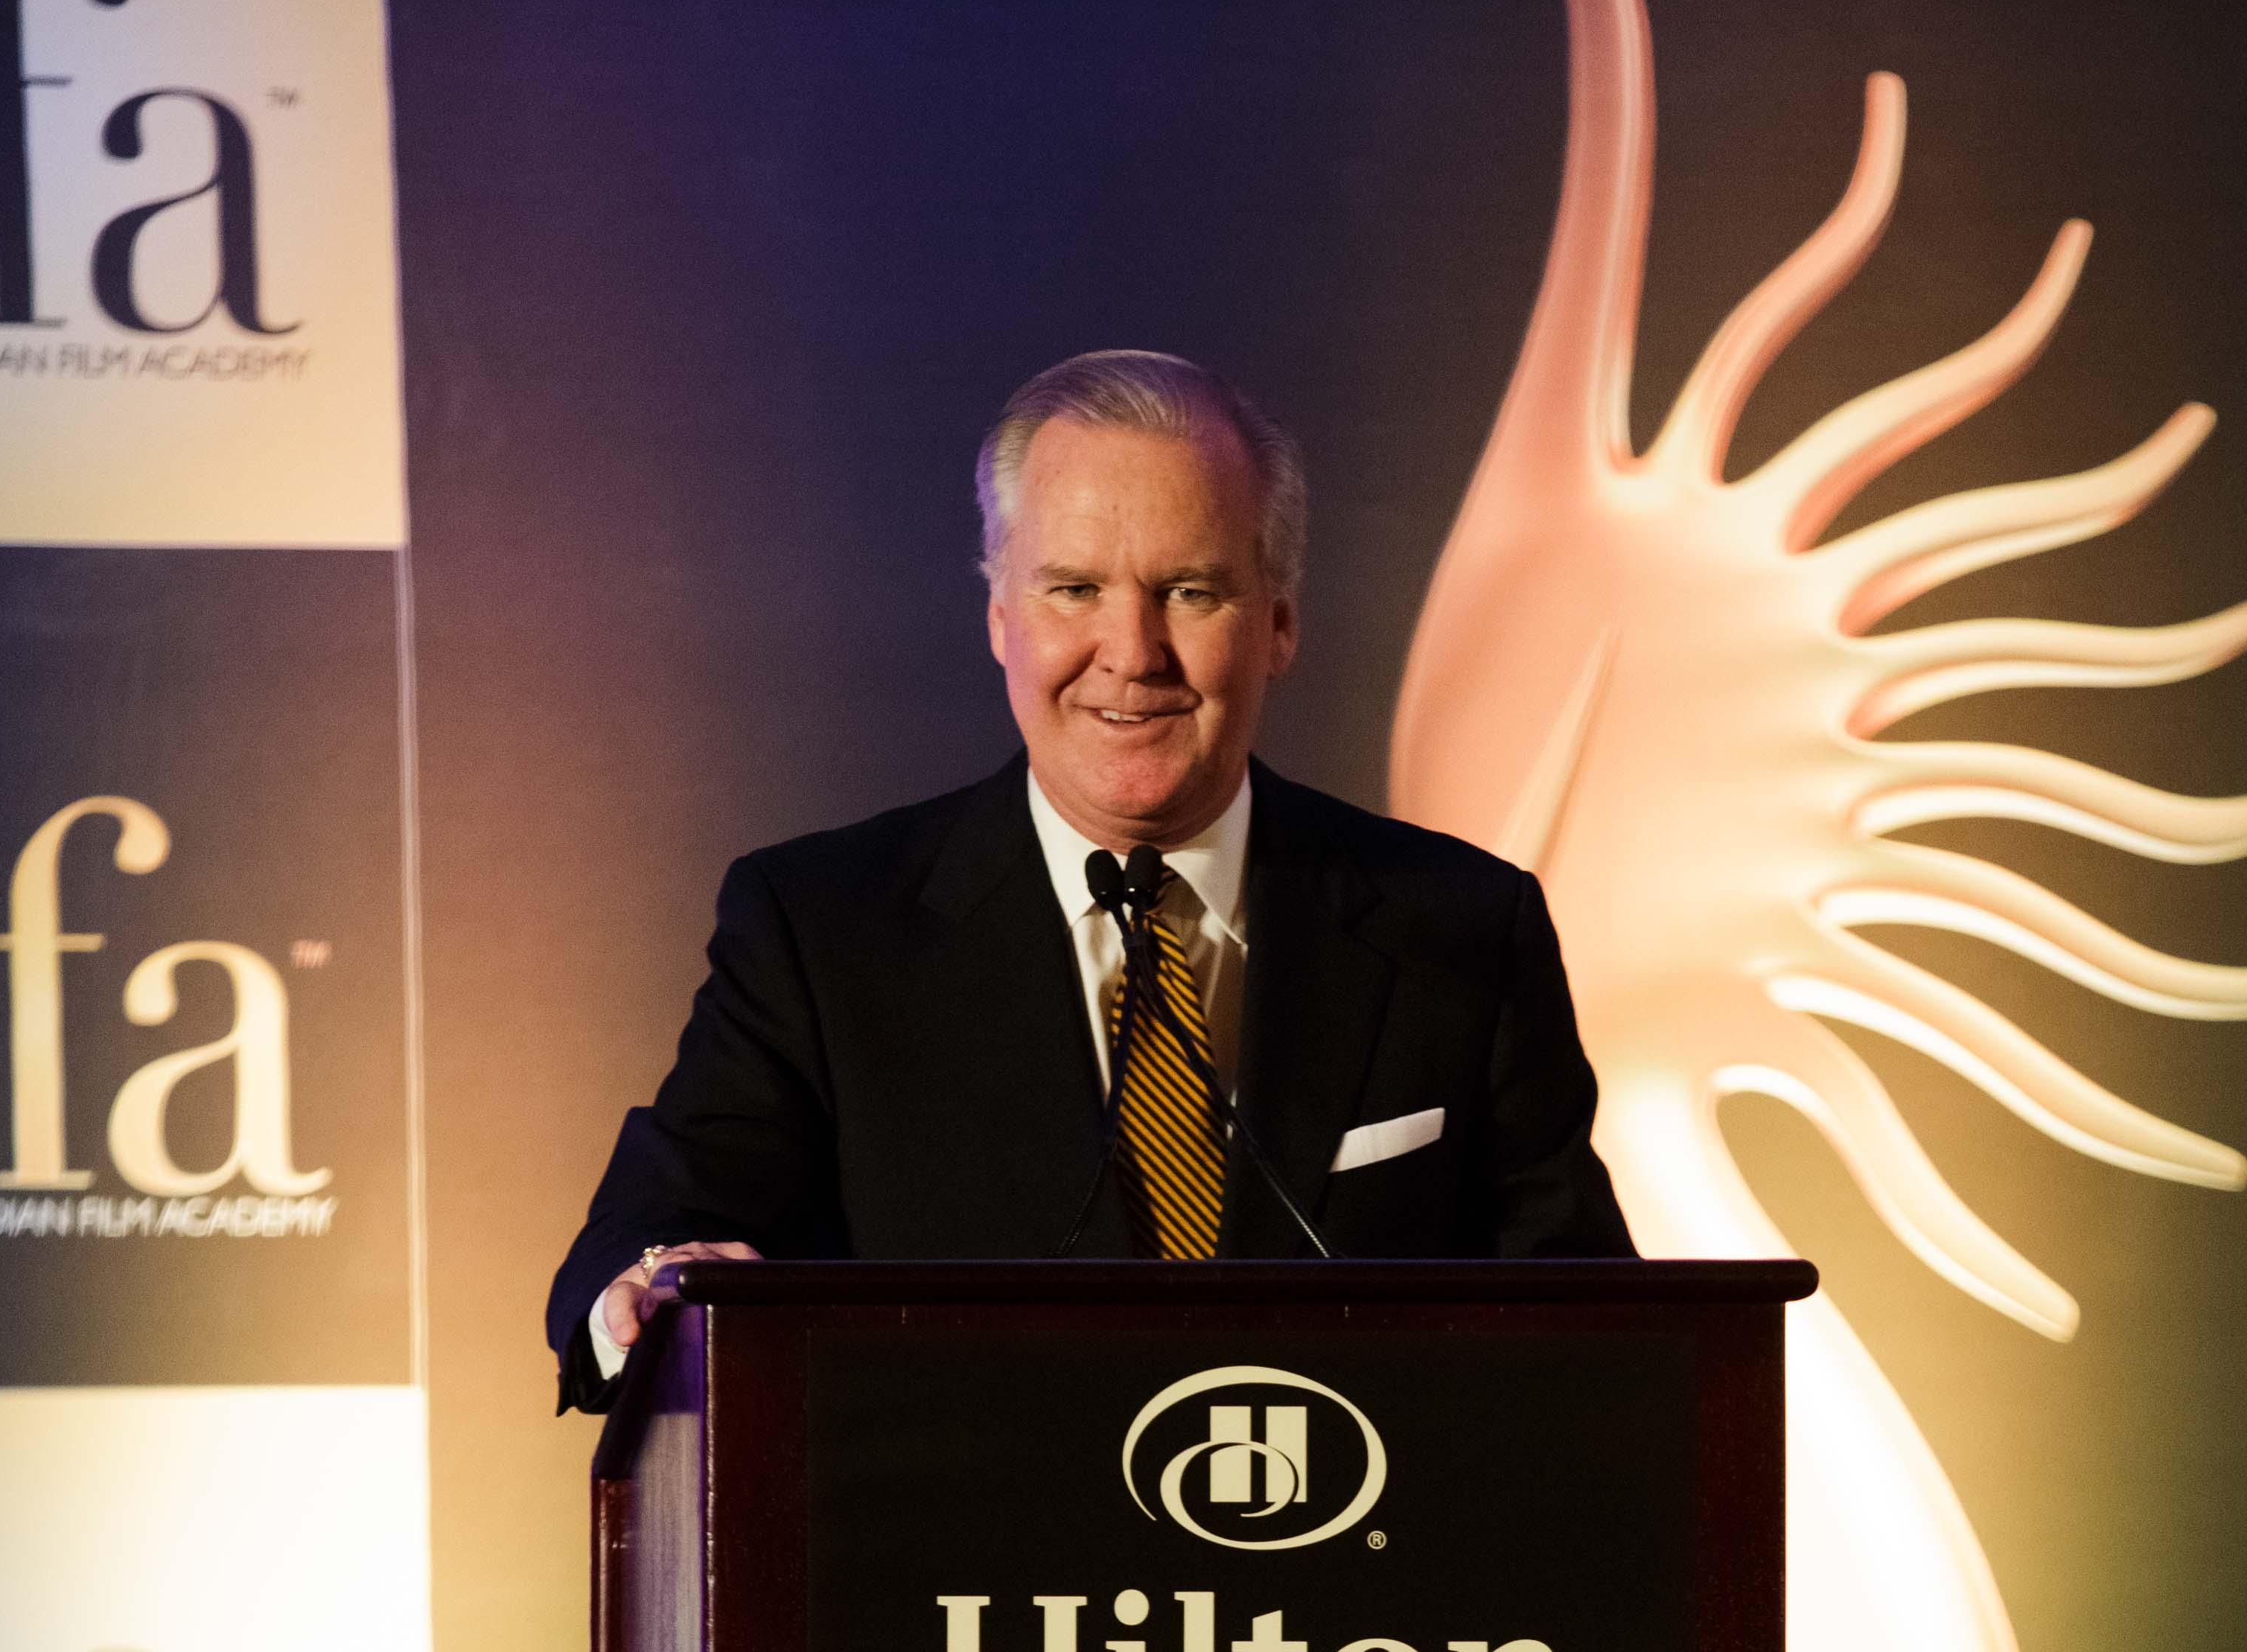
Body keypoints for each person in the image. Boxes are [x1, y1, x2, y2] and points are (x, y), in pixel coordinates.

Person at [546, 348, 1631, 1409]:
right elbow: (661, 1222)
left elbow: (1599, 1336)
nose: (1131, 651)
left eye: (1191, 592)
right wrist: (644, 1287)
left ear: (1280, 625)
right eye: (1073, 589)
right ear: (999, 619)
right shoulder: (820, 928)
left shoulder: (1461, 926)